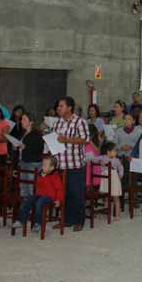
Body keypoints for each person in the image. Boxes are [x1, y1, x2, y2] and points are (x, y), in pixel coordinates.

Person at [54, 96, 90, 232]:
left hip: (75, 165)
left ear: (69, 108)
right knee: (65, 194)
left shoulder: (79, 122)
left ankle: (79, 221)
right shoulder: (57, 122)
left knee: (77, 194)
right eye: (58, 106)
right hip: (61, 164)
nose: (58, 108)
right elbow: (55, 139)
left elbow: (85, 139)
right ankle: (66, 220)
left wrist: (67, 139)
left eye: (61, 106)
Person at [12, 156, 64, 232]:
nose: (43, 166)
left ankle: (38, 224)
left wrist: (58, 200)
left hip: (49, 197)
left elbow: (59, 189)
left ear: (52, 167)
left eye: (45, 165)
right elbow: (37, 184)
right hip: (39, 194)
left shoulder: (55, 176)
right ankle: (20, 220)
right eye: (43, 164)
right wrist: (40, 176)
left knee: (39, 203)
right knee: (27, 199)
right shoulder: (42, 174)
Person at [90, 141, 124, 221]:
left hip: (114, 180)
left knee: (116, 198)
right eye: (115, 151)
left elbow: (121, 168)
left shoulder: (116, 160)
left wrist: (121, 175)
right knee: (106, 198)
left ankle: (117, 215)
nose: (116, 152)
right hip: (105, 180)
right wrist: (100, 162)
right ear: (108, 152)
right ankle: (108, 214)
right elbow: (93, 160)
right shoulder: (102, 157)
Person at [17, 114, 44, 197]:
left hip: (32, 163)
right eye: (21, 119)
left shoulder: (36, 134)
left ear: (31, 122)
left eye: (24, 119)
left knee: (31, 187)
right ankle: (25, 204)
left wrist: (25, 147)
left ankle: (32, 204)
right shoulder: (23, 132)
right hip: (23, 161)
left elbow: (39, 149)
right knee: (23, 186)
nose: (21, 121)